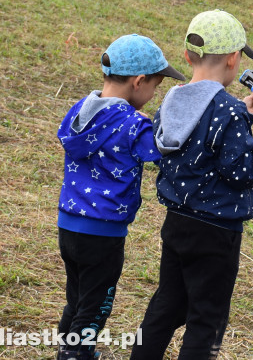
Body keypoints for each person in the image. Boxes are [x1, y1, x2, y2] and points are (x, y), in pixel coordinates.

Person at [131, 11, 253, 360]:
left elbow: (194, 143)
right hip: (217, 232)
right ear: (234, 60)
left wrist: (244, 115)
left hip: (178, 224)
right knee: (207, 319)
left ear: (188, 56)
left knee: (167, 306)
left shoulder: (173, 99)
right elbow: (244, 171)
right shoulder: (227, 112)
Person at [55, 34, 186, 360]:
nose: (154, 94)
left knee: (77, 298)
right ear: (138, 82)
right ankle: (75, 355)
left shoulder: (78, 112)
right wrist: (170, 114)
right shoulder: (131, 125)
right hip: (103, 234)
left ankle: (66, 348)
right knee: (96, 305)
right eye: (155, 86)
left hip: (68, 225)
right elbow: (162, 150)